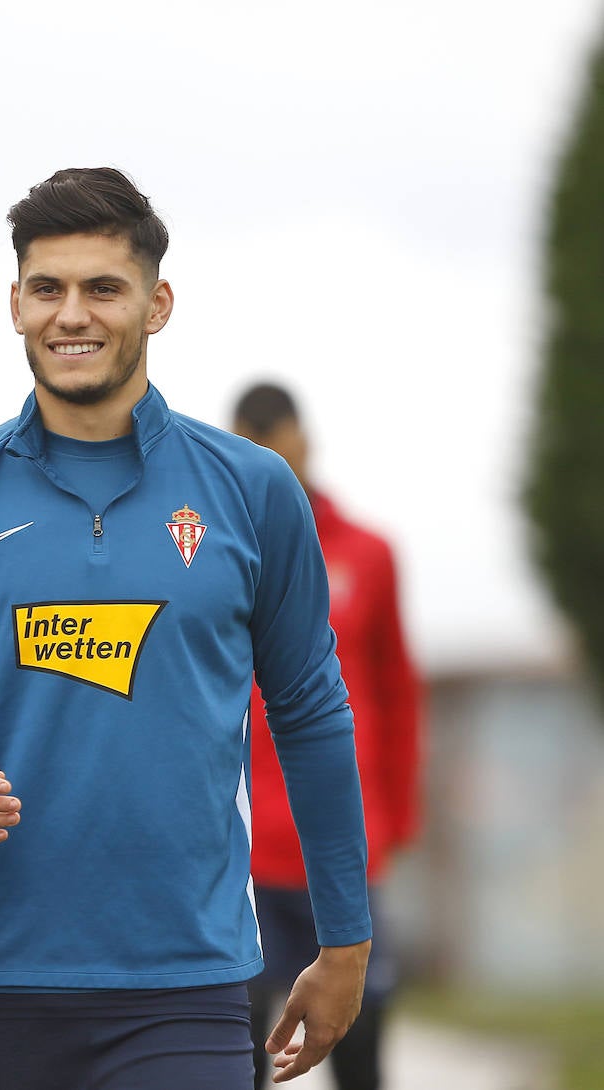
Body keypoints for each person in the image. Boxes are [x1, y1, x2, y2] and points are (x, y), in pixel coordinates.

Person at [0, 166, 372, 1089]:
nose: (73, 315)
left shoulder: (253, 492)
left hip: (187, 984)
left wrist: (346, 942)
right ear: (14, 303)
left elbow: (312, 715)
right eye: (48, 289)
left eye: (104, 288)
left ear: (158, 302)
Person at [232, 382, 422, 1090]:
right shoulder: (214, 555)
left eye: (278, 443)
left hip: (342, 848)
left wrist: (397, 818)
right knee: (236, 1054)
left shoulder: (367, 555)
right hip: (246, 856)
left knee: (363, 1044)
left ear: (303, 442)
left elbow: (400, 692)